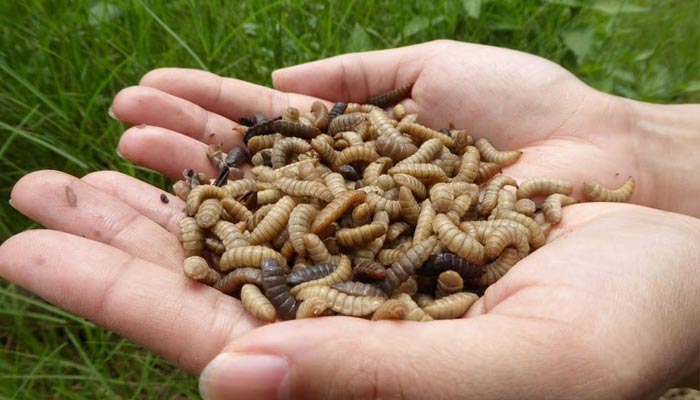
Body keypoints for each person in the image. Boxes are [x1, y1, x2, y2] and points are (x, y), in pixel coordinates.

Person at [1, 40, 698, 399]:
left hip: (361, 244)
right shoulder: (283, 220)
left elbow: (396, 223)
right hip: (317, 246)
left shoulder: (438, 211)